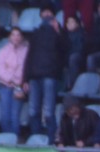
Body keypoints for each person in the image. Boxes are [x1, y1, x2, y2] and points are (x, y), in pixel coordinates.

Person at [23, 2, 68, 144]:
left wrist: (59, 31)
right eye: (44, 12)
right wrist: (25, 79)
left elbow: (66, 50)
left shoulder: (60, 32)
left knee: (49, 112)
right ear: (41, 15)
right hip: (34, 76)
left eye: (50, 12)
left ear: (54, 15)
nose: (47, 14)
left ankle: (51, 142)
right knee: (33, 111)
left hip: (50, 75)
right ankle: (36, 140)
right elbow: (29, 57)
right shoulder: (35, 34)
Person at [0, 27, 28, 136]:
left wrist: (18, 83)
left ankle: (14, 142)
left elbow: (25, 68)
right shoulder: (3, 51)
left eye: (18, 35)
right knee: (5, 115)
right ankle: (6, 140)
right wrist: (12, 79)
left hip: (18, 86)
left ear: (22, 37)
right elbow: (0, 70)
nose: (16, 37)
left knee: (15, 116)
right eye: (13, 35)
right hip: (5, 85)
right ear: (9, 37)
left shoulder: (26, 51)